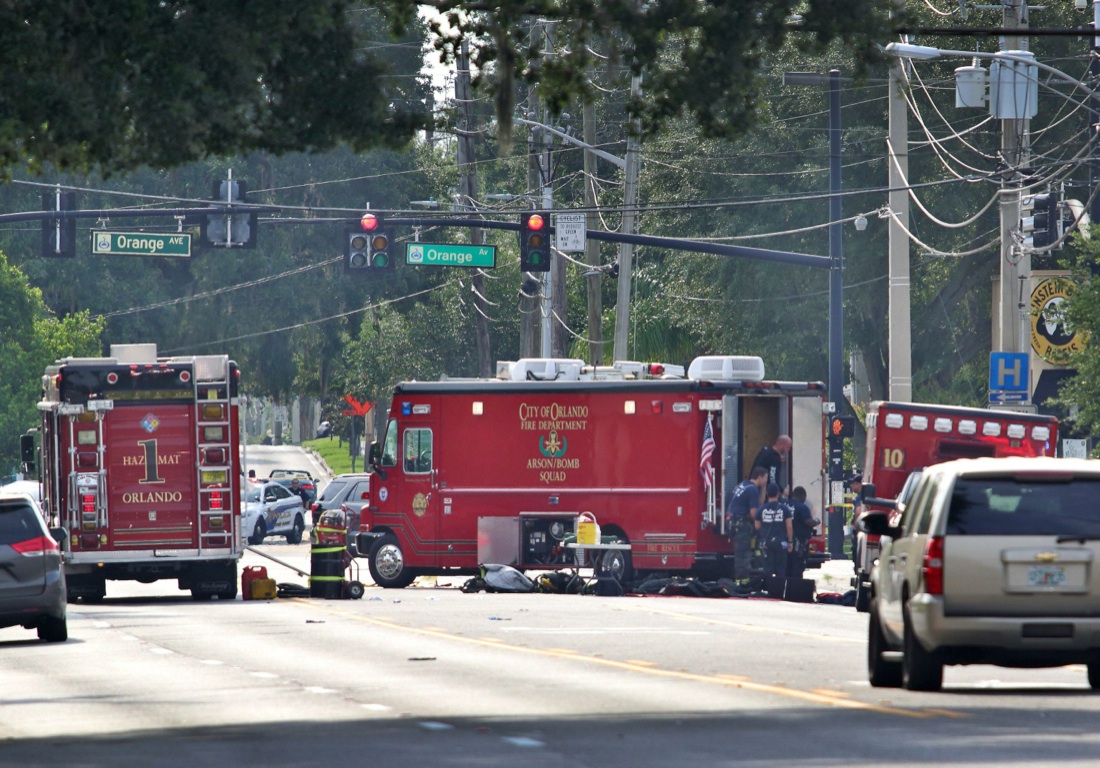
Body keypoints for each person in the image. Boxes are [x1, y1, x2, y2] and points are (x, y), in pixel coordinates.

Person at [726, 466, 769, 587]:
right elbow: (754, 513)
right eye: (765, 478)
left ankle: (742, 581)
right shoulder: (752, 490)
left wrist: (763, 488)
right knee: (743, 555)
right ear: (759, 477)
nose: (766, 480)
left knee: (741, 553)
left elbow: (758, 504)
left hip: (734, 524)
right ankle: (742, 583)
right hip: (742, 525)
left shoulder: (744, 485)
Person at [757, 482, 793, 580]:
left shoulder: (761, 509)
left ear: (767, 494)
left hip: (766, 542)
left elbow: (757, 526)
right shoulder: (785, 509)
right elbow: (789, 527)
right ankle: (779, 590)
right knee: (780, 568)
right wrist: (790, 542)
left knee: (767, 568)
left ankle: (769, 590)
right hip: (781, 542)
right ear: (778, 493)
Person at [786, 486, 819, 579]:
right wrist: (817, 521)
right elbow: (809, 522)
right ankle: (795, 589)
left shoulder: (784, 505)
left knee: (787, 568)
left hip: (785, 542)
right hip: (799, 543)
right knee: (797, 568)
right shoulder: (802, 507)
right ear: (803, 496)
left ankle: (785, 589)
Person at [847, 473, 865, 568]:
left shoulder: (860, 497)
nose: (851, 485)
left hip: (859, 528)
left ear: (859, 484)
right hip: (863, 528)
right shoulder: (861, 496)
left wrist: (855, 525)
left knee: (856, 550)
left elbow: (858, 511)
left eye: (853, 483)